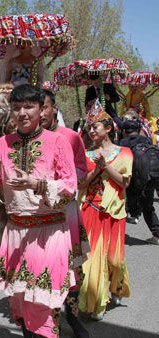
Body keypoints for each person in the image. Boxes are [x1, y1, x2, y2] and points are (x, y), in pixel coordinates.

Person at [0, 84, 78, 338]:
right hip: (15, 233)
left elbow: (70, 186)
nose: (22, 113)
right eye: (16, 108)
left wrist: (37, 184)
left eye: (29, 107)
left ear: (41, 109)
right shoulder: (2, 144)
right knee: (21, 302)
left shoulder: (57, 142)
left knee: (43, 304)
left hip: (48, 234)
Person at [40, 88, 90, 338]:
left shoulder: (71, 137)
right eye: (34, 107)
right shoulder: (26, 141)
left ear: (54, 109)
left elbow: (82, 170)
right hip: (38, 218)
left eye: (45, 107)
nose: (40, 113)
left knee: (74, 270)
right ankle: (50, 321)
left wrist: (61, 184)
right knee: (45, 271)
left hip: (67, 213)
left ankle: (72, 314)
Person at [78, 100, 132, 321]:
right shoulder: (87, 155)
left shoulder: (124, 152)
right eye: (89, 128)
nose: (91, 131)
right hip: (91, 208)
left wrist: (106, 166)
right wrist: (94, 170)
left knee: (114, 260)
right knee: (93, 259)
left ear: (108, 128)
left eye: (95, 127)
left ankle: (117, 288)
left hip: (113, 211)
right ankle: (96, 303)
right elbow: (81, 184)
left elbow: (124, 182)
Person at [119, 119, 159, 244]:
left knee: (122, 207)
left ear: (124, 131)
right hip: (150, 177)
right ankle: (157, 234)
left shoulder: (123, 143)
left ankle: (116, 234)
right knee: (147, 206)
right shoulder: (147, 140)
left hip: (135, 180)